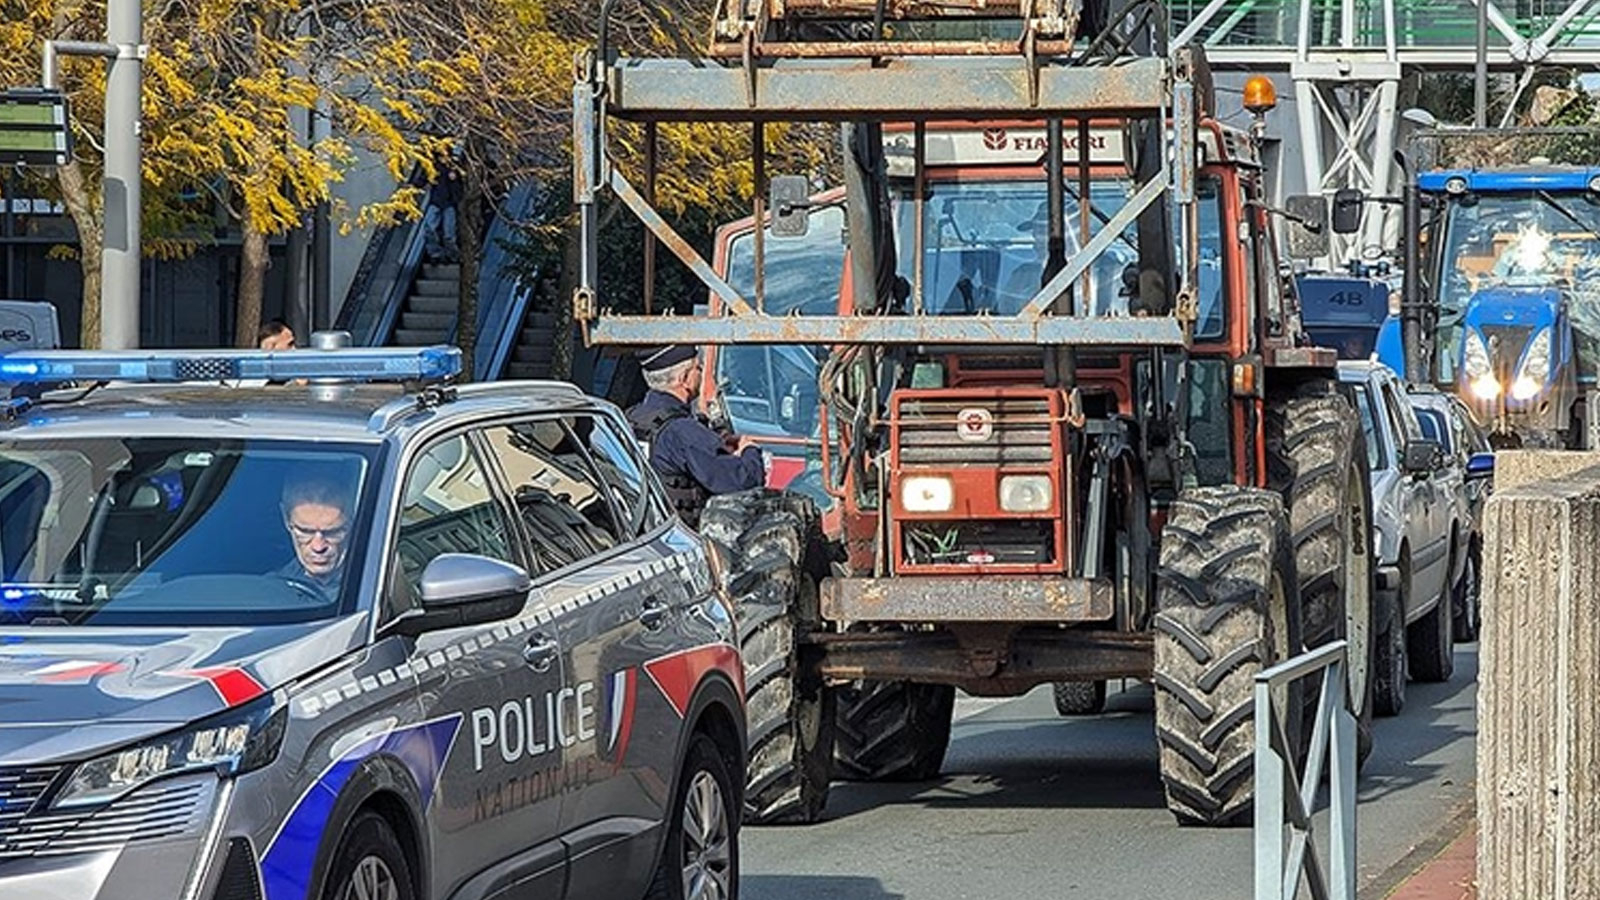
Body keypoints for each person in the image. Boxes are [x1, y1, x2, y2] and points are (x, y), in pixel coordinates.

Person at [625, 345, 765, 527]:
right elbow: (741, 482)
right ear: (684, 379)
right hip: (681, 539)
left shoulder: (630, 418)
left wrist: (715, 442)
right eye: (698, 368)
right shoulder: (684, 432)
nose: (700, 373)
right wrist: (749, 450)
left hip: (640, 532)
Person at [278, 477, 352, 593]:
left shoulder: (380, 583)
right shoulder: (270, 591)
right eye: (305, 532)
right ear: (286, 519)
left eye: (332, 532)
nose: (318, 547)